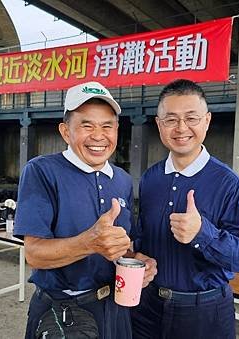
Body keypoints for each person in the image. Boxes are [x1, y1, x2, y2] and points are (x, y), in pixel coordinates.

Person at [14, 81, 156, 339]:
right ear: (65, 132)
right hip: (64, 311)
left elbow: (121, 247)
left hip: (115, 306)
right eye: (87, 125)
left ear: (117, 130)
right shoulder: (42, 171)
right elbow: (34, 254)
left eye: (107, 126)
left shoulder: (122, 180)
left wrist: (138, 260)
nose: (98, 136)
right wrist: (90, 242)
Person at [131, 79, 239, 339]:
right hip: (147, 307)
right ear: (158, 124)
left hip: (204, 312)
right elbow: (142, 236)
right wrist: (138, 257)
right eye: (171, 120)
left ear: (207, 121)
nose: (181, 128)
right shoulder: (150, 179)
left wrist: (202, 233)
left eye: (191, 118)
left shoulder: (227, 182)